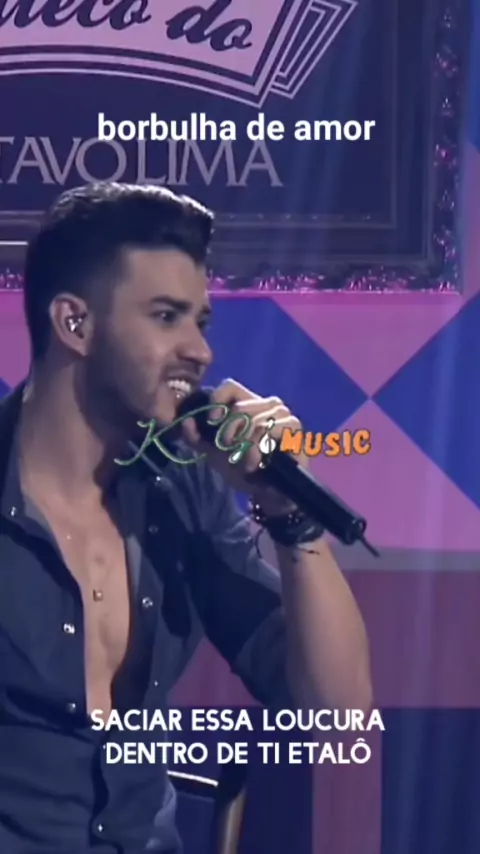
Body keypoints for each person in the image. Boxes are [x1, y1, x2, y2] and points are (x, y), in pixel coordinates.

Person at [0, 182, 372, 854]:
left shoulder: (183, 490)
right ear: (75, 324)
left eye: (200, 322)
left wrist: (289, 515)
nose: (200, 352)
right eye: (166, 317)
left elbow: (339, 723)